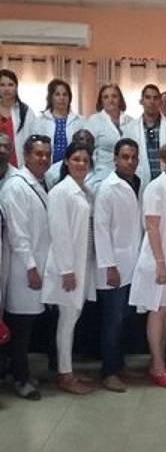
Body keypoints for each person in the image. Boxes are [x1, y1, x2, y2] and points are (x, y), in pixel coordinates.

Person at [129, 142, 166, 388]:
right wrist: (161, 263)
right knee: (157, 311)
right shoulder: (156, 188)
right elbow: (152, 227)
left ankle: (158, 361)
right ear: (163, 162)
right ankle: (158, 367)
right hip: (158, 259)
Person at [41, 142, 96, 395]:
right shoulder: (60, 192)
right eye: (76, 159)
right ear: (66, 162)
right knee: (67, 321)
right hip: (69, 268)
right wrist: (66, 270)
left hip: (82, 263)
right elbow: (60, 233)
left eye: (85, 160)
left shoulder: (85, 191)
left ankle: (68, 369)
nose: (81, 164)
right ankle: (65, 375)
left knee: (72, 319)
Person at [0, 135, 52, 400]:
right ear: (26, 155)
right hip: (22, 269)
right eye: (38, 154)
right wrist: (31, 267)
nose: (44, 159)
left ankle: (17, 371)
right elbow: (17, 233)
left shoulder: (38, 183)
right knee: (20, 326)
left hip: (37, 264)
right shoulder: (16, 187)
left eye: (47, 154)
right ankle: (21, 380)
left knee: (27, 326)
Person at [94, 138, 143, 393]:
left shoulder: (137, 183)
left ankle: (119, 364)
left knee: (124, 320)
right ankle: (109, 372)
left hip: (132, 263)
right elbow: (100, 229)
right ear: (115, 159)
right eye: (125, 157)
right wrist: (109, 266)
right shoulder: (107, 188)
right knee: (112, 321)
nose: (130, 161)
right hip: (113, 266)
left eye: (134, 157)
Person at [123, 84, 166, 187]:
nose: (151, 102)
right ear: (141, 101)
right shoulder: (130, 128)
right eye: (148, 97)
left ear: (160, 102)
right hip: (140, 181)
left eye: (155, 98)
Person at [85, 83, 132, 191]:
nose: (110, 100)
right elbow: (86, 150)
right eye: (106, 97)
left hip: (128, 173)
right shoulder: (93, 121)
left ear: (120, 99)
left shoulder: (131, 121)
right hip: (103, 173)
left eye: (114, 96)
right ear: (101, 101)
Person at [35, 79, 84, 163]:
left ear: (69, 98)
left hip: (72, 166)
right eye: (57, 94)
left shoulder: (80, 121)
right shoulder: (40, 120)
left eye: (65, 94)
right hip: (46, 165)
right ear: (51, 98)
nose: (62, 98)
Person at [0, 69, 36, 167]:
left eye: (10, 85)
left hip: (19, 164)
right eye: (2, 85)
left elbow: (33, 141)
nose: (6, 89)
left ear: (16, 87)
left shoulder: (26, 111)